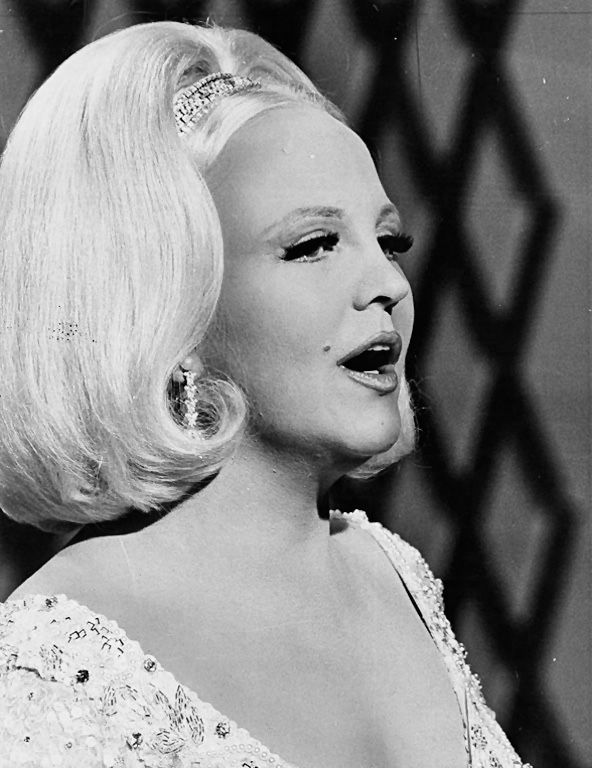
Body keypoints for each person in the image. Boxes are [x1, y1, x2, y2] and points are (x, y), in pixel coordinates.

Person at [0, 21, 530, 768]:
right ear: (168, 309)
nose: (387, 284)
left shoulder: (391, 571)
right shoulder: (47, 666)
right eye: (312, 245)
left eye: (388, 242)